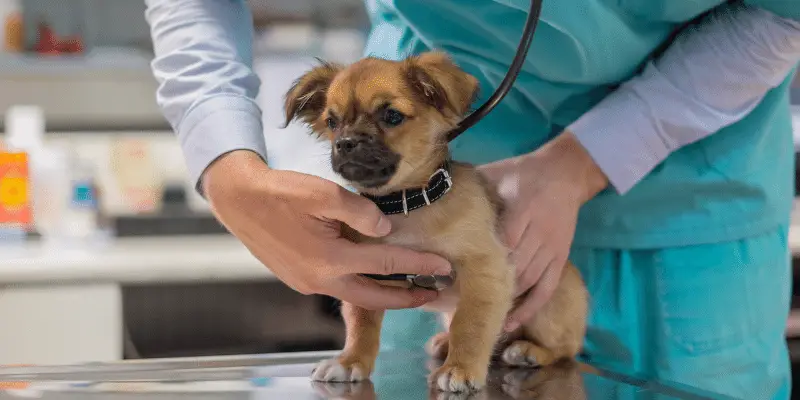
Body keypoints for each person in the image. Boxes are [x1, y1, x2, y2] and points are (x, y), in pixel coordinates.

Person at [144, 0, 800, 398]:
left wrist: (585, 161)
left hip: (688, 199)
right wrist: (226, 165)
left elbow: (781, 13)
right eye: (339, 127)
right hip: (416, 219)